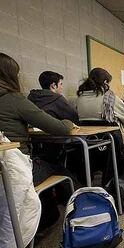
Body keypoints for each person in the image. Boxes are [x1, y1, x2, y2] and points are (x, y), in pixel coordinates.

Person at [0, 53, 79, 229]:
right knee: (59, 168)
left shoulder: (30, 97)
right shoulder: (14, 99)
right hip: (13, 169)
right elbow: (60, 127)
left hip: (5, 167)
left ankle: (48, 217)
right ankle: (81, 213)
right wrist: (69, 123)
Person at [76, 68, 124, 177]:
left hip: (89, 143)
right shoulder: (109, 98)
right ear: (105, 82)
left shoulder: (80, 98)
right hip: (112, 143)